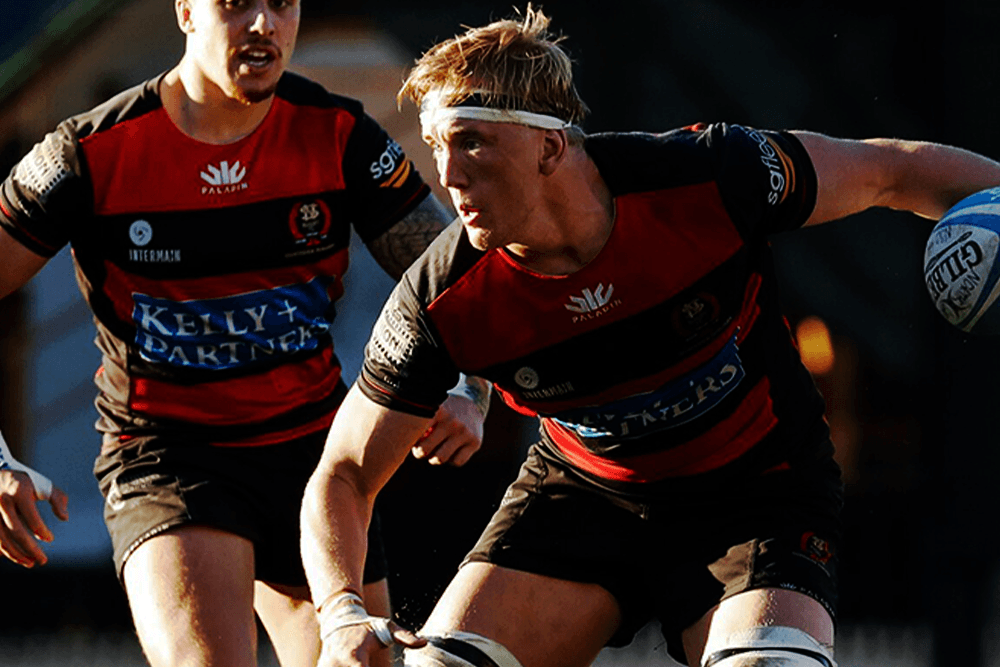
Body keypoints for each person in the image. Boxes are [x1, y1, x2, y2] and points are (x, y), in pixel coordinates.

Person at [298, 6, 1000, 667]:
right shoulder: (443, 293)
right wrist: (341, 614)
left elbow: (892, 171)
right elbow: (343, 472)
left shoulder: (710, 177)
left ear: (548, 144)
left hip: (755, 492)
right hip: (583, 495)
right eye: (435, 147)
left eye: (471, 141)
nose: (446, 176)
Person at [0, 1, 491, 666]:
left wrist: (471, 385)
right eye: (235, 3)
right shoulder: (89, 151)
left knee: (365, 661)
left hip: (315, 463)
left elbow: (461, 280)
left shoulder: (339, 133)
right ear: (184, 13)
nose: (263, 24)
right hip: (170, 457)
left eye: (282, 3)